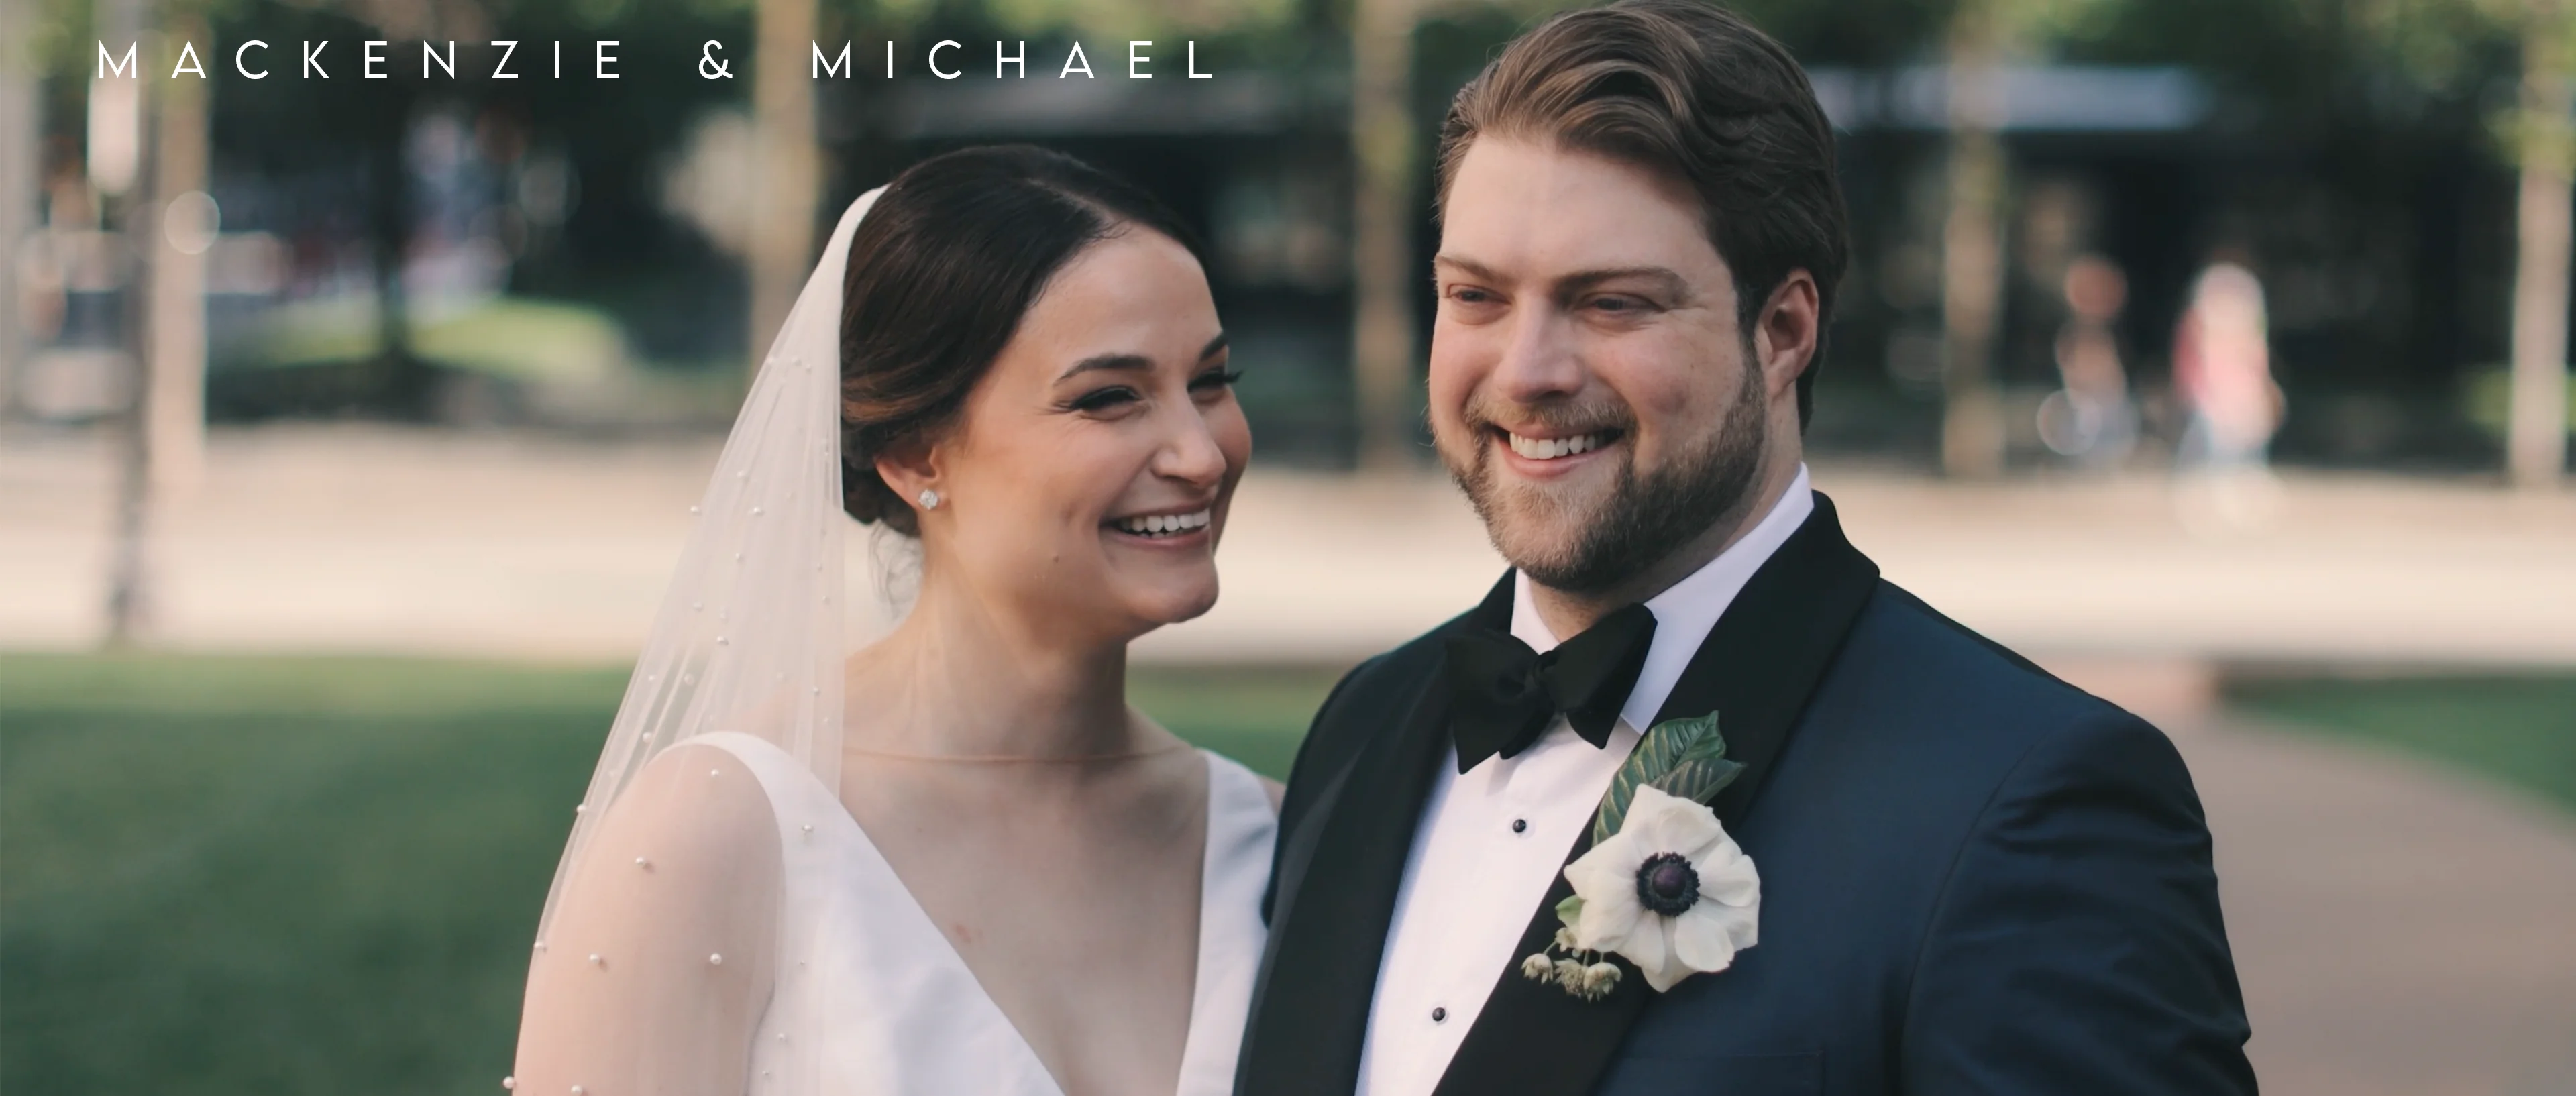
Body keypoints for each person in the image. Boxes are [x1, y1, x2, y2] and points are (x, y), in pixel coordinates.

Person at [1236, 4, 2255, 1095]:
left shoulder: (2030, 797)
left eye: (1612, 302)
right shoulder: (1367, 723)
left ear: (1784, 332)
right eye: (1475, 296)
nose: (1526, 368)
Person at [508, 145, 1280, 1096]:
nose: (1202, 454)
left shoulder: (1279, 843)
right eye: (1109, 396)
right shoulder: (714, 839)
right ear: (917, 455)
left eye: (1211, 381)